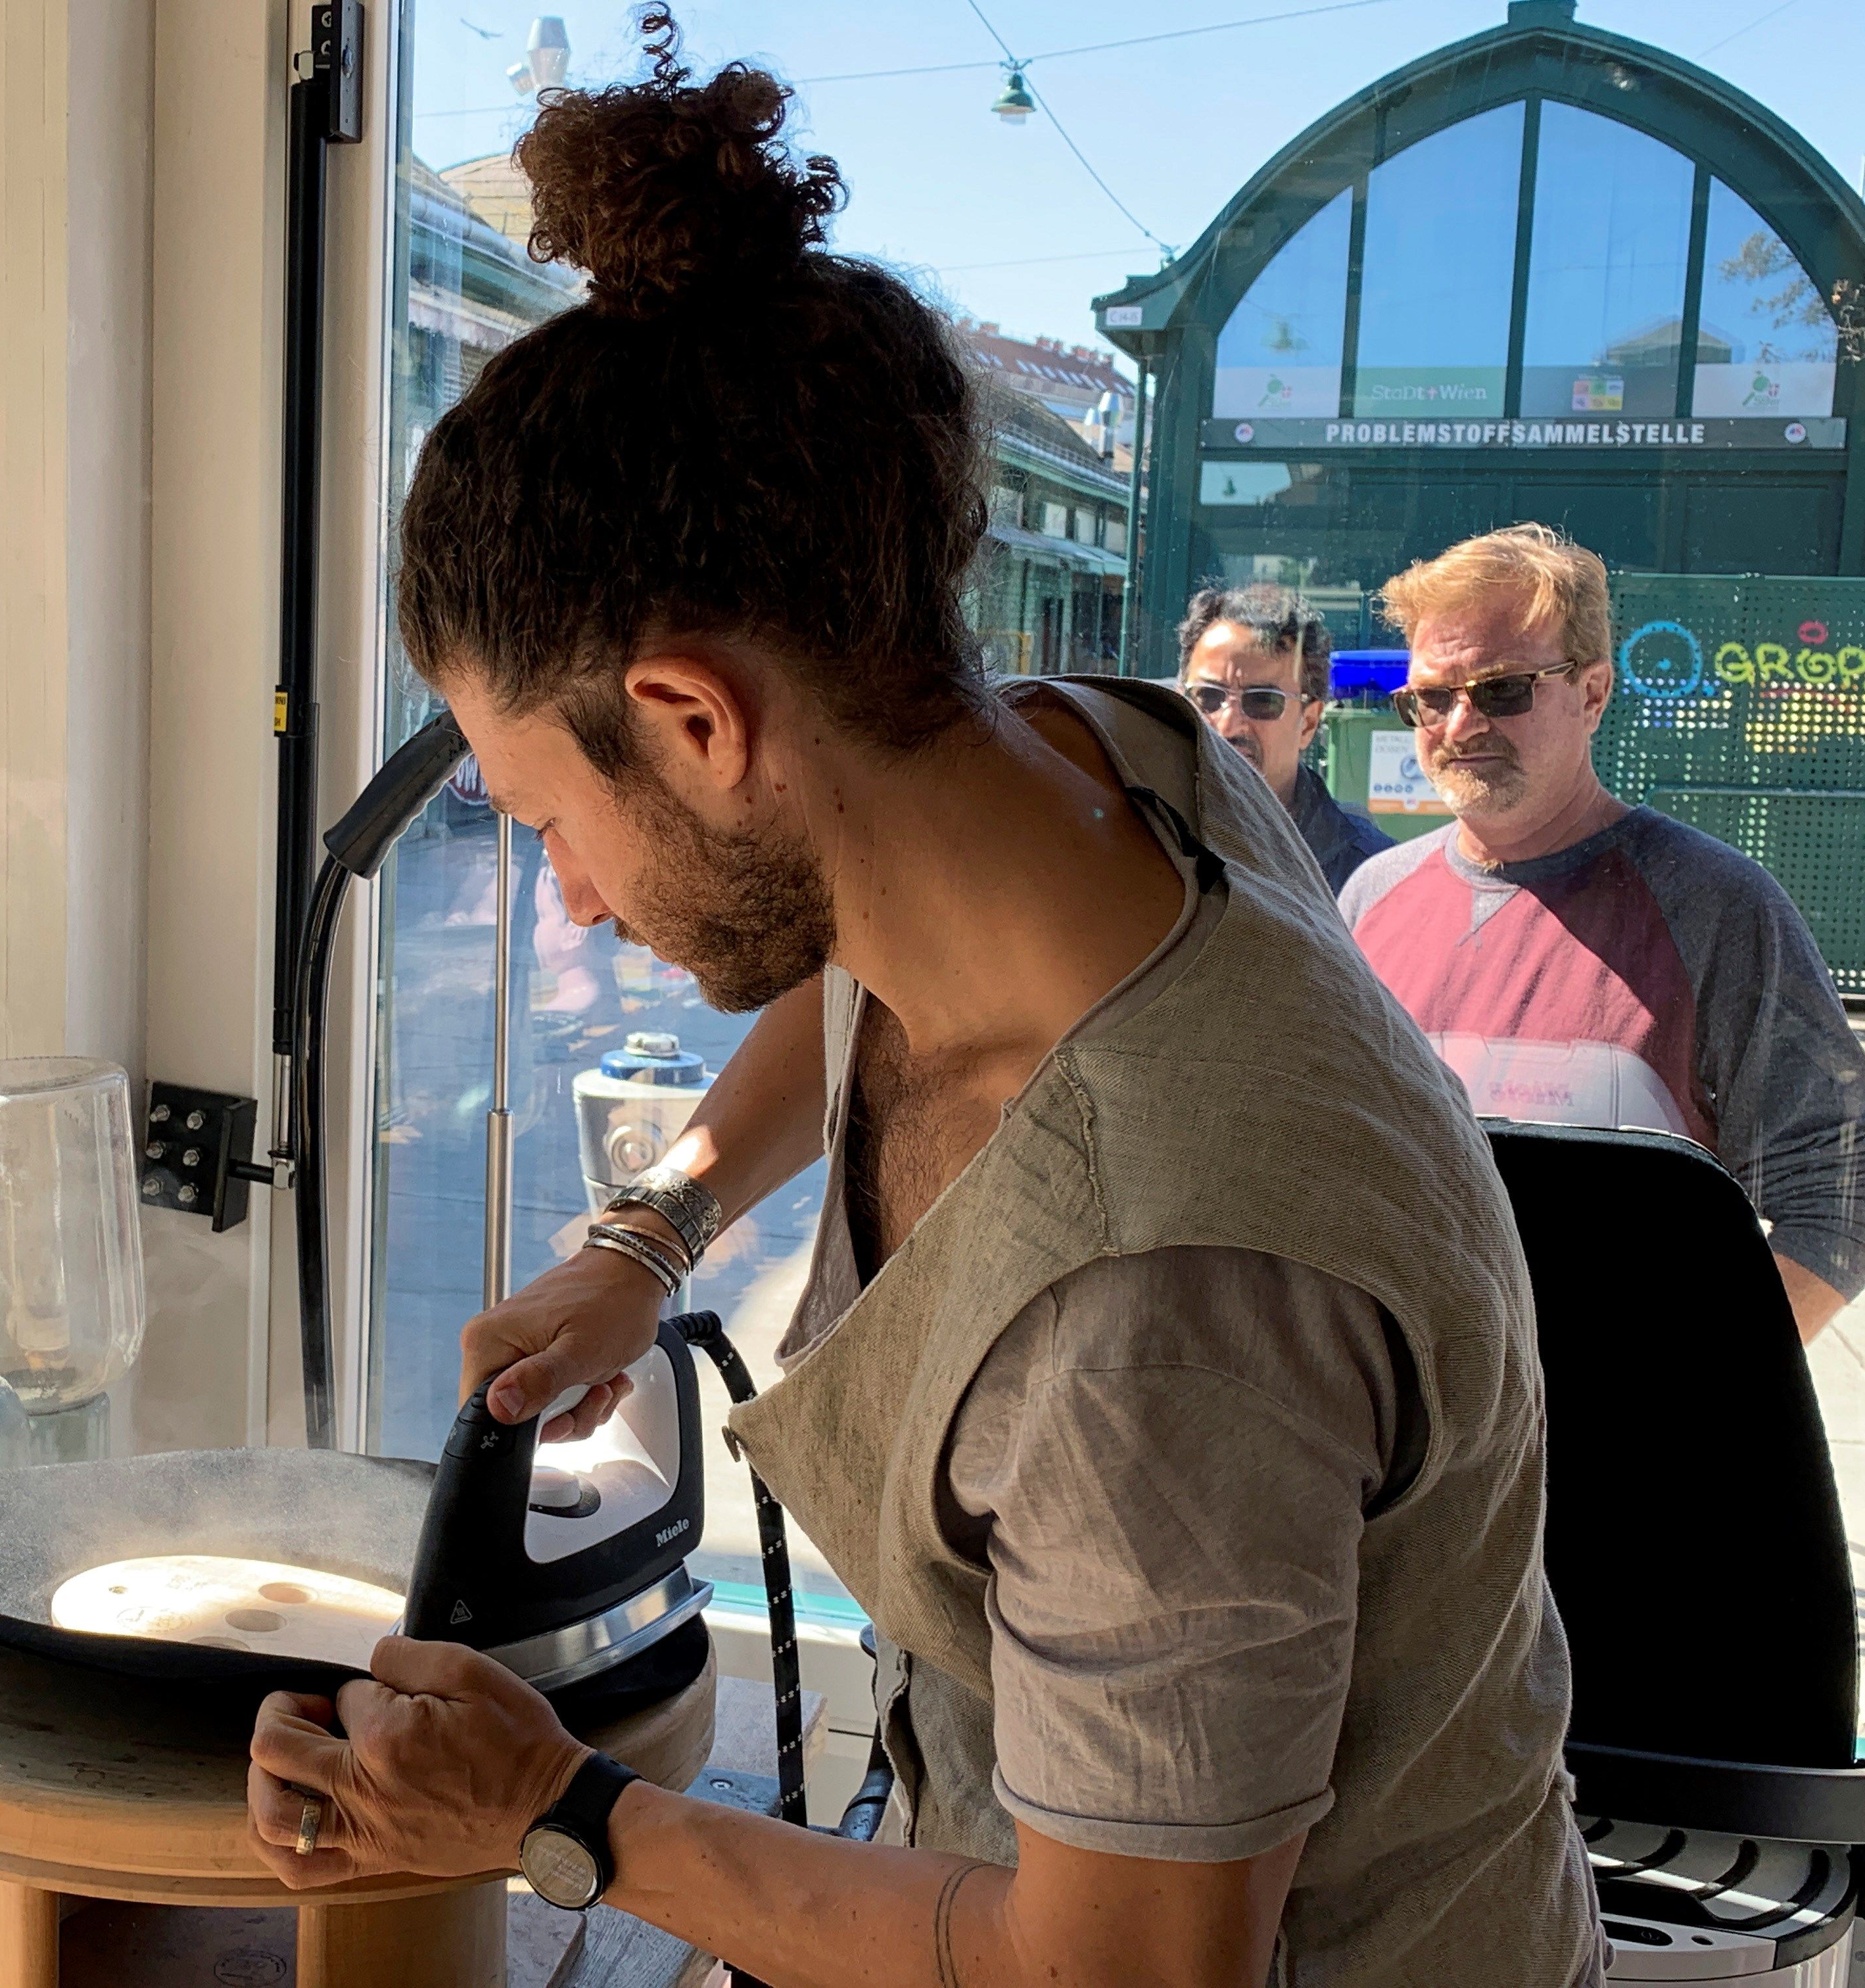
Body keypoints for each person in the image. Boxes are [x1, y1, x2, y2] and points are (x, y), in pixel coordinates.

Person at [242, 21, 1600, 1988]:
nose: (569, 896)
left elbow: (1117, 1976)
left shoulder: (1164, 1312)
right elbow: (864, 965)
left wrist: (564, 1815)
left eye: (552, 816)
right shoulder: (1089, 775)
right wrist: (650, 1234)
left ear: (697, 722)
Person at [1338, 525, 1865, 1341]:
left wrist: (1694, 1385)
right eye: (1432, 698)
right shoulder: (1372, 900)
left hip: (1622, 1457)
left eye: (1503, 689)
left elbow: (1837, 1191)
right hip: (1414, 1445)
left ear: (1593, 692)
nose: (1460, 724)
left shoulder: (1716, 907)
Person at [1177, 583, 1390, 891]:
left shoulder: (1368, 878)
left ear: (1308, 724)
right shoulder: (1133, 843)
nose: (1228, 724)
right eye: (1208, 697)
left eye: (1263, 701)